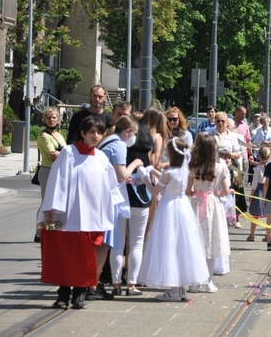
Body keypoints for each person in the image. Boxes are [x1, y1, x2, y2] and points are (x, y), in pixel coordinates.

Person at [39, 115, 120, 310]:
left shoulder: (101, 158)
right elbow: (57, 180)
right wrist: (51, 208)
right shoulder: (69, 152)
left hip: (92, 216)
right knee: (67, 255)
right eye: (91, 132)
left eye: (99, 132)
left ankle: (80, 293)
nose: (95, 136)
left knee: (86, 256)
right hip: (69, 214)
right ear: (82, 133)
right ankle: (63, 293)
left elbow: (110, 186)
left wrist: (114, 207)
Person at [138, 137, 209, 302]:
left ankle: (174, 289)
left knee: (169, 244)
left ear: (171, 154)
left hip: (169, 208)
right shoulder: (184, 171)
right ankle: (181, 287)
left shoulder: (169, 173)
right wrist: (153, 171)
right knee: (182, 245)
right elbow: (166, 178)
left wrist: (145, 179)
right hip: (182, 207)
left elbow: (156, 192)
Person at [95, 116, 143, 299]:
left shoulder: (108, 141)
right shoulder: (119, 145)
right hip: (108, 198)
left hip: (100, 194)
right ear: (128, 132)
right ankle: (93, 284)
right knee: (107, 242)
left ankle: (97, 282)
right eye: (134, 134)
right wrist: (136, 164)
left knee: (108, 243)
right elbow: (122, 175)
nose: (134, 138)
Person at [187, 134, 231, 293]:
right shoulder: (220, 167)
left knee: (196, 243)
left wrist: (197, 193)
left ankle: (194, 281)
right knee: (211, 243)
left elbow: (188, 191)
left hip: (197, 205)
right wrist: (215, 193)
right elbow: (225, 191)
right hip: (212, 205)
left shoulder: (194, 167)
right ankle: (208, 281)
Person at [34, 107, 67, 242]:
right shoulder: (43, 135)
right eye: (49, 118)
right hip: (47, 170)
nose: (52, 120)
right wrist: (65, 153)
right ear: (44, 120)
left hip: (58, 171)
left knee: (56, 203)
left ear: (58, 119)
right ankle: (39, 233)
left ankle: (52, 229)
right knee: (46, 202)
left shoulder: (59, 135)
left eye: (54, 117)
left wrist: (63, 153)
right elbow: (53, 154)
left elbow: (64, 152)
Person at [247, 145, 271, 241]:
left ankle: (252, 235)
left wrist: (251, 196)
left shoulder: (258, 169)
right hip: (269, 191)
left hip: (259, 192)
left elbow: (254, 184)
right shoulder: (270, 167)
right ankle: (267, 235)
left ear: (260, 157)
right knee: (269, 215)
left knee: (255, 215)